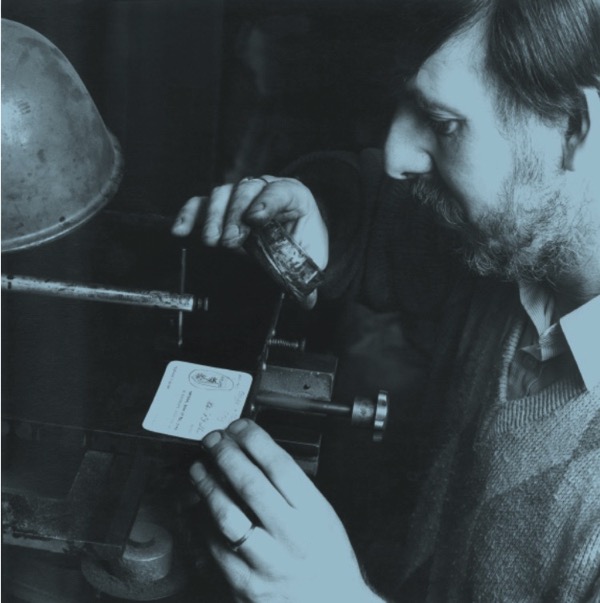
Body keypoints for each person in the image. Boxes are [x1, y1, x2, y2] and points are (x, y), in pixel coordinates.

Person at [173, 0, 600, 600]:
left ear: (574, 126)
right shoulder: (520, 242)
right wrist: (323, 215)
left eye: (444, 124)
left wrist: (335, 595)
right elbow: (383, 210)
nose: (397, 154)